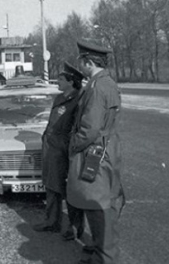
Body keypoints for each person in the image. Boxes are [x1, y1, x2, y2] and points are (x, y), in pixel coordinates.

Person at [67, 41, 124, 264]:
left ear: (88, 62)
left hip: (95, 153)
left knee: (99, 207)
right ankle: (99, 253)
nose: (80, 66)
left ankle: (105, 257)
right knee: (99, 205)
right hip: (105, 149)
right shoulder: (104, 82)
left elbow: (89, 129)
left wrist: (73, 144)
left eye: (81, 62)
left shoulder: (98, 87)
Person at [32, 62, 84, 240]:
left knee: (70, 189)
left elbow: (77, 128)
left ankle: (74, 228)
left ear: (71, 81)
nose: (57, 82)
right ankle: (52, 222)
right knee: (52, 186)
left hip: (64, 149)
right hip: (51, 147)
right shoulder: (60, 97)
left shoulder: (79, 100)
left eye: (61, 79)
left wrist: (67, 147)